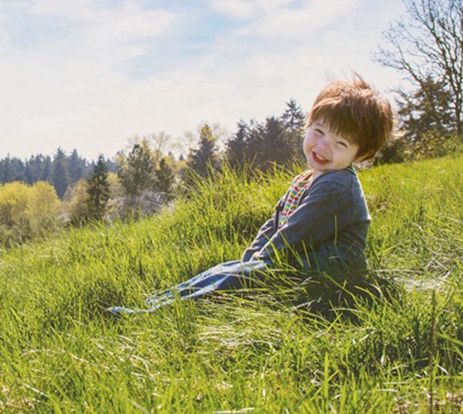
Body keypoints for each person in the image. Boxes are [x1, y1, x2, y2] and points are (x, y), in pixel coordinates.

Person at [108, 75, 395, 314]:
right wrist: (248, 261)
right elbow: (276, 223)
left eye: (340, 143)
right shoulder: (308, 179)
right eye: (319, 132)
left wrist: (253, 267)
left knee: (236, 279)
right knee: (228, 269)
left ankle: (155, 314)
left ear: (361, 154)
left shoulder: (338, 186)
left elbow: (295, 234)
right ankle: (159, 301)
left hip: (327, 277)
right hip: (298, 263)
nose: (323, 146)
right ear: (308, 124)